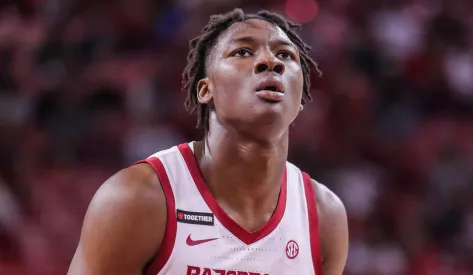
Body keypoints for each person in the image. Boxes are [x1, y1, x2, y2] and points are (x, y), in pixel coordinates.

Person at [68, 8, 348, 275]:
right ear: (206, 89)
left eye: (285, 55)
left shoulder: (324, 216)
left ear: (300, 100)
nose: (270, 62)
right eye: (243, 52)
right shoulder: (138, 199)